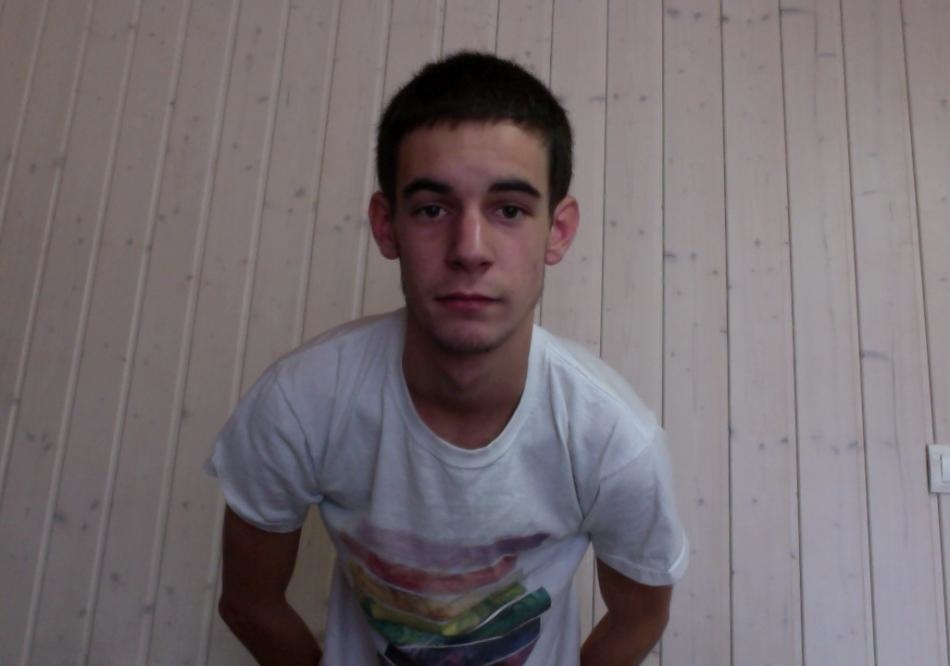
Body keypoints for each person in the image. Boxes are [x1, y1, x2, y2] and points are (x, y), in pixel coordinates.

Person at [209, 51, 688, 666]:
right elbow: (249, 602)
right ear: (387, 225)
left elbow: (640, 618)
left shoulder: (615, 441)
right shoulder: (299, 404)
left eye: (509, 210)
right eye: (432, 209)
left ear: (558, 231)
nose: (469, 249)